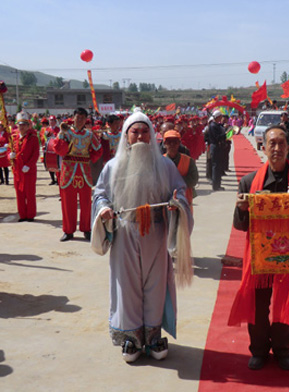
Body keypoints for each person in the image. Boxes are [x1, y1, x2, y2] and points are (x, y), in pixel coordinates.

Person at [91, 110, 193, 363]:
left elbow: (180, 190)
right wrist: (104, 208)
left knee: (156, 285)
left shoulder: (165, 165)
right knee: (127, 287)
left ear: (152, 135)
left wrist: (176, 203)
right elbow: (100, 193)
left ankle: (154, 336)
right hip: (125, 231)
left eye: (144, 131)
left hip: (156, 231)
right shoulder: (112, 166)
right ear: (126, 135)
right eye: (134, 131)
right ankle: (132, 339)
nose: (140, 136)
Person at [229, 125, 289, 371]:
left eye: (281, 143)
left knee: (286, 302)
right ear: (263, 147)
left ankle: (282, 350)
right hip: (259, 256)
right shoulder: (249, 182)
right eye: (272, 144)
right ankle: (258, 350)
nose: (276, 148)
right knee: (258, 306)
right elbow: (240, 225)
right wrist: (242, 209)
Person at [52, 108, 102, 241]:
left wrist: (89, 157)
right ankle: (68, 231)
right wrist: (62, 136)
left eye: (82, 118)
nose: (79, 120)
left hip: (84, 170)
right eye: (77, 117)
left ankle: (86, 229)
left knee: (86, 203)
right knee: (68, 202)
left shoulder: (90, 135)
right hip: (69, 170)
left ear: (86, 120)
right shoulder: (66, 132)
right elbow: (59, 150)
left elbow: (98, 149)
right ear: (73, 118)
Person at [11, 112, 39, 221]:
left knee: (30, 193)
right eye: (19, 125)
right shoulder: (14, 137)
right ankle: (22, 214)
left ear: (28, 126)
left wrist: (29, 165)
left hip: (28, 170)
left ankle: (30, 215)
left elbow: (35, 154)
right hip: (17, 170)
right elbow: (11, 149)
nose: (21, 127)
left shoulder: (33, 138)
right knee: (19, 193)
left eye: (24, 125)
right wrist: (10, 155)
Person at [163, 130, 198, 212]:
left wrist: (174, 181)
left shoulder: (188, 160)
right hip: (165, 203)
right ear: (164, 144)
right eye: (169, 142)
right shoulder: (160, 161)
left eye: (175, 142)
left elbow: (193, 180)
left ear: (179, 143)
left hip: (185, 202)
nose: (172, 144)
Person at [205, 111, 226, 191]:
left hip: (217, 147)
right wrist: (225, 134)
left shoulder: (216, 125)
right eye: (220, 116)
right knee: (216, 167)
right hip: (215, 146)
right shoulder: (213, 126)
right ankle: (215, 185)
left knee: (218, 167)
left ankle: (218, 184)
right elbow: (217, 137)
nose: (221, 118)